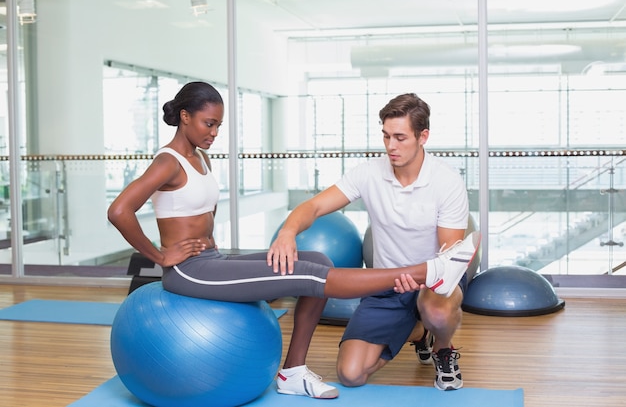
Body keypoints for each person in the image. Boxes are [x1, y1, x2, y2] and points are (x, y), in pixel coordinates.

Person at [108, 82, 480, 399]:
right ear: (185, 117)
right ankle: (423, 272)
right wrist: (160, 255)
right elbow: (119, 210)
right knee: (313, 281)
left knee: (318, 259)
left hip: (212, 260)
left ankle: (293, 372)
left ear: (422, 137)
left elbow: (195, 215)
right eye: (209, 123)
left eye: (218, 125)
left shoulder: (200, 158)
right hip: (188, 273)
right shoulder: (168, 161)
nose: (214, 132)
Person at [269, 93, 472, 391]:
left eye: (400, 137)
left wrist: (421, 281)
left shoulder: (446, 181)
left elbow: (448, 254)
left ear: (423, 136)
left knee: (436, 310)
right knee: (351, 375)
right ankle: (418, 330)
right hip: (386, 285)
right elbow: (312, 207)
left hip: (434, 282)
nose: (391, 146)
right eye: (386, 136)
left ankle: (443, 348)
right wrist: (288, 232)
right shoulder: (368, 172)